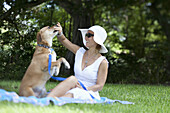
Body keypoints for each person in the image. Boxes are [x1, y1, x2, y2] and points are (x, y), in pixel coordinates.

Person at [47, 22, 108, 100]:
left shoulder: (102, 62)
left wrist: (85, 89)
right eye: (86, 35)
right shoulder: (80, 52)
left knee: (76, 92)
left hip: (89, 92)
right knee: (72, 79)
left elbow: (100, 86)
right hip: (74, 86)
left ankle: (53, 100)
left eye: (89, 35)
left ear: (96, 40)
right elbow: (64, 40)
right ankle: (49, 99)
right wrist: (60, 32)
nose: (86, 38)